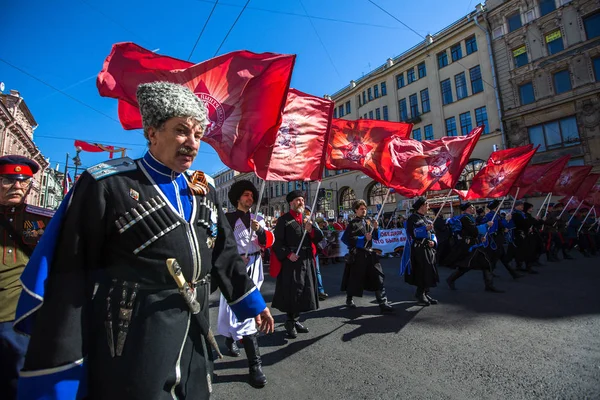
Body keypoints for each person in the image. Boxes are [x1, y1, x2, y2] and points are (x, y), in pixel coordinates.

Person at [16, 82, 274, 400]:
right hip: (133, 339)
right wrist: (64, 366)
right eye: (181, 131)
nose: (192, 143)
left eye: (197, 134)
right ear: (151, 133)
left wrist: (253, 304)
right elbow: (71, 274)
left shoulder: (204, 191)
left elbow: (224, 255)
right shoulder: (109, 185)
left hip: (195, 333)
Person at [0, 156, 53, 400]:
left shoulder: (43, 220)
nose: (17, 187)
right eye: (9, 180)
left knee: (15, 384)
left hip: (17, 318)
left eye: (24, 182)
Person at [217, 179, 274, 387]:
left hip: (254, 265)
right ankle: (254, 364)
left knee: (249, 306)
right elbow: (219, 244)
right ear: (238, 197)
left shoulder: (258, 217)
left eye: (252, 195)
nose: (249, 198)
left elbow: (269, 241)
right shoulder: (227, 218)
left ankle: (233, 338)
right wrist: (234, 257)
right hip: (234, 267)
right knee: (241, 308)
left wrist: (259, 231)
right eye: (246, 195)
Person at [271, 191, 324, 338]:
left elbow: (319, 237)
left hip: (306, 260)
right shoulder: (284, 220)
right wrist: (288, 254)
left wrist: (311, 229)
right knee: (293, 292)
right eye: (297, 200)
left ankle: (296, 320)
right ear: (291, 203)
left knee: (304, 290)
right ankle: (289, 321)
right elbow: (277, 243)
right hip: (292, 261)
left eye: (302, 200)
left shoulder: (306, 219)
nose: (301, 202)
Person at [341, 199, 394, 313]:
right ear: (356, 210)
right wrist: (363, 238)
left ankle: (383, 303)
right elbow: (346, 239)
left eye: (365, 208)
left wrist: (376, 228)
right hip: (358, 255)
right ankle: (349, 299)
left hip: (370, 254)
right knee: (354, 279)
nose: (364, 211)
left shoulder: (368, 221)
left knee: (378, 277)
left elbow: (375, 237)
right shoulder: (352, 224)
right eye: (361, 209)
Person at [446, 202, 503, 292]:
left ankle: (489, 285)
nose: (474, 209)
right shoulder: (465, 218)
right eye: (472, 207)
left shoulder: (469, 218)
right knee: (466, 266)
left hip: (474, 243)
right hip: (469, 245)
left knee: (485, 263)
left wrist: (481, 237)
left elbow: (474, 231)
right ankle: (451, 279)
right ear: (468, 209)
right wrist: (486, 225)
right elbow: (473, 231)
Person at [401, 197, 438, 306]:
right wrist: (424, 230)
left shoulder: (427, 219)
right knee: (422, 271)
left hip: (428, 248)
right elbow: (412, 232)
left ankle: (425, 293)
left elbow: (433, 234)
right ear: (421, 206)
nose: (428, 207)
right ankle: (420, 293)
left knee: (429, 270)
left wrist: (433, 242)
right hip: (418, 249)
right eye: (427, 204)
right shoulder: (413, 218)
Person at [481, 200, 522, 280]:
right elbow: (495, 226)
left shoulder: (496, 215)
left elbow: (500, 226)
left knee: (501, 258)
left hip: (498, 239)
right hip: (495, 240)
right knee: (495, 258)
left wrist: (504, 228)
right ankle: (489, 275)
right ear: (496, 207)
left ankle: (512, 274)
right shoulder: (491, 216)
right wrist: (506, 220)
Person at [304, 206, 328, 301]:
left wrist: (311, 228)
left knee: (316, 271)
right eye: (304, 212)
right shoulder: (298, 222)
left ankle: (320, 291)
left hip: (313, 251)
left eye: (308, 212)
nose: (306, 214)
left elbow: (320, 235)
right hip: (302, 252)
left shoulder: (313, 223)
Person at [512, 201, 540, 274]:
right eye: (520, 205)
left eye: (522, 205)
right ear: (516, 206)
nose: (522, 207)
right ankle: (520, 266)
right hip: (519, 235)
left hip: (525, 234)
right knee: (521, 251)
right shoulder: (515, 214)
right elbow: (522, 223)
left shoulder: (522, 214)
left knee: (528, 251)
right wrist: (529, 225)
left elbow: (527, 222)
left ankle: (528, 266)